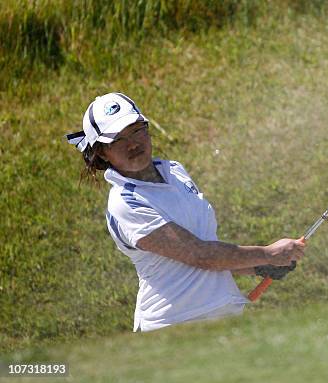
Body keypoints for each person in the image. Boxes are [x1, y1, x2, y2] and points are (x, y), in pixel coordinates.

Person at [66, 93, 305, 332]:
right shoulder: (125, 202)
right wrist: (267, 254)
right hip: (174, 328)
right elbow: (199, 255)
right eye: (118, 139)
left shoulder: (175, 171)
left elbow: (206, 249)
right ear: (101, 153)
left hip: (224, 317)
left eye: (137, 130)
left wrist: (258, 266)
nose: (133, 144)